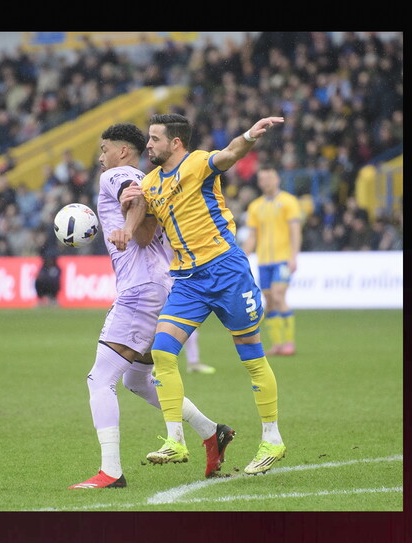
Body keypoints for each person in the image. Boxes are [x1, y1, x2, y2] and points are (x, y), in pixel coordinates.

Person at [111, 113, 287, 476]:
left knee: (251, 357)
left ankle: (272, 437)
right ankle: (175, 439)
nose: (148, 145)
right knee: (161, 351)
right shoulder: (150, 183)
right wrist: (127, 215)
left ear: (175, 143)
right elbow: (144, 230)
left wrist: (249, 135)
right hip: (188, 280)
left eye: (155, 139)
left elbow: (229, 154)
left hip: (226, 271)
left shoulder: (197, 163)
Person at [69, 123, 235, 489]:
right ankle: (212, 432)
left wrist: (126, 229)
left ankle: (110, 472)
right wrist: (134, 226)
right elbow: (143, 210)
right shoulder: (147, 177)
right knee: (138, 379)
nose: (100, 157)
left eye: (103, 148)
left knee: (100, 380)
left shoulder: (118, 174)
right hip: (162, 285)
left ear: (123, 151)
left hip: (140, 289)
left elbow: (135, 200)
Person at [243, 166, 303, 356]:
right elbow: (253, 236)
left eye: (269, 177)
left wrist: (294, 255)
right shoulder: (255, 206)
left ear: (277, 179)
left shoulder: (288, 201)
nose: (265, 182)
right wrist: (243, 256)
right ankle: (277, 344)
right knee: (269, 301)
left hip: (283, 259)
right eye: (262, 179)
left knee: (278, 296)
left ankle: (289, 342)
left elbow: (295, 230)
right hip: (264, 261)